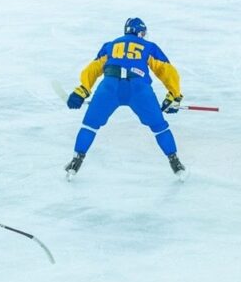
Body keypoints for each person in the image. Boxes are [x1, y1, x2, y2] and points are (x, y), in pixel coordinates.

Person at [63, 17, 187, 181]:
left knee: (90, 125)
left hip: (109, 87)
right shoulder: (149, 46)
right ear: (141, 32)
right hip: (139, 89)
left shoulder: (110, 45)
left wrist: (82, 90)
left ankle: (76, 161)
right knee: (159, 127)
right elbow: (168, 71)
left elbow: (92, 69)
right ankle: (175, 161)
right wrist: (174, 96)